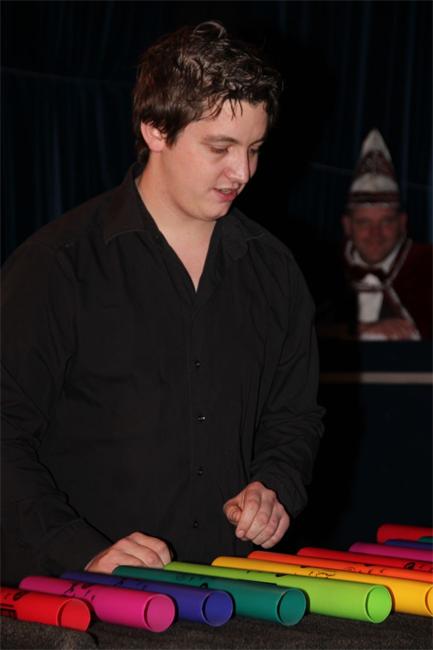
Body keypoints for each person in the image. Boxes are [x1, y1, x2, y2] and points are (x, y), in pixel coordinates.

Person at [1, 21, 324, 586]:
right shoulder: (57, 265)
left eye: (254, 149)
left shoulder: (274, 270)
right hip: (80, 598)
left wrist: (275, 486)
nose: (242, 173)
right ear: (155, 129)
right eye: (220, 148)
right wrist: (80, 550)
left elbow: (293, 417)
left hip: (230, 595)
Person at [317, 129, 432, 341]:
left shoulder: (427, 267)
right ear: (347, 225)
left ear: (402, 223)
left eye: (386, 222)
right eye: (364, 223)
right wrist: (360, 330)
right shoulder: (320, 269)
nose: (375, 234)